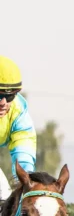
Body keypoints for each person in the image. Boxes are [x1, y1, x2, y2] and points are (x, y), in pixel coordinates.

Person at [0, 56, 37, 199]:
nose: (3, 103)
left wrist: (25, 183)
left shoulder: (18, 112)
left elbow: (23, 153)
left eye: (9, 97)